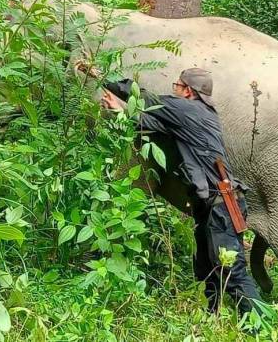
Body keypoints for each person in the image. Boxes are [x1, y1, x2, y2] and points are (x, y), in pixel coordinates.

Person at [84, 64, 262, 316]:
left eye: (177, 86)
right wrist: (120, 110)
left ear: (189, 91)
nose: (175, 90)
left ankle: (263, 323)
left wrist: (99, 75)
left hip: (222, 205)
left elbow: (144, 97)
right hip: (210, 206)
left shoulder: (187, 108)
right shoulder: (195, 114)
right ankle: (213, 319)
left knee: (232, 272)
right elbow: (149, 123)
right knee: (207, 269)